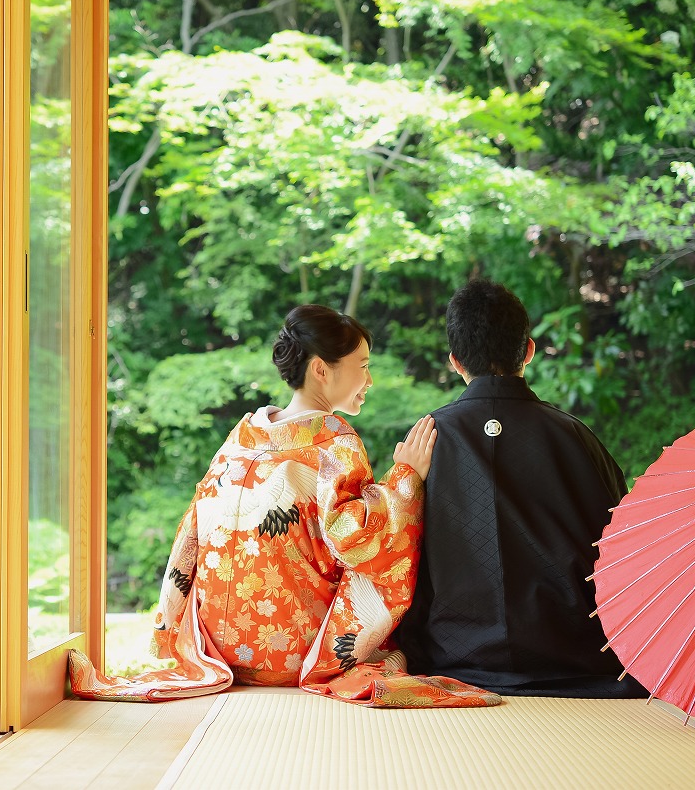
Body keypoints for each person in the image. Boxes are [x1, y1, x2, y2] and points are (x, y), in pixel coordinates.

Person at [70, 304, 500, 709]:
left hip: (217, 647)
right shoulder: (334, 440)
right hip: (294, 650)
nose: (369, 380)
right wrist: (406, 477)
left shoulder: (242, 435)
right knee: (386, 610)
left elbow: (193, 527)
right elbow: (358, 536)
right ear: (320, 369)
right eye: (363, 366)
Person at [393, 278, 646, 697]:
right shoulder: (575, 437)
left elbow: (394, 546)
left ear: (455, 361)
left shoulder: (427, 439)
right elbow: (623, 543)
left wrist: (402, 479)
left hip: (453, 660)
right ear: (528, 350)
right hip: (573, 658)